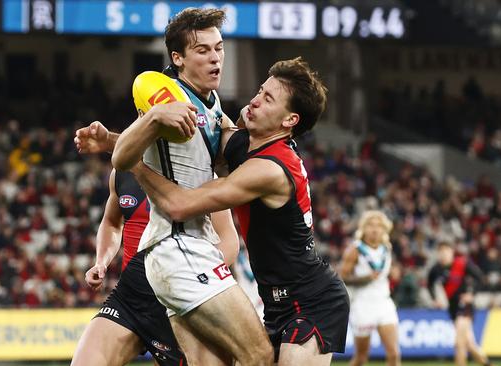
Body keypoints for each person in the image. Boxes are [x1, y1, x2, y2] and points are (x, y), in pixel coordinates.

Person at [127, 57, 350, 366]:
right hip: (276, 301)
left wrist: (133, 163)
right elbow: (203, 141)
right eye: (260, 90)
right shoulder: (247, 145)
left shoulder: (269, 169)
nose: (255, 101)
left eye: (268, 99)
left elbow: (179, 205)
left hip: (312, 301)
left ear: (290, 121)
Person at [106, 7, 273, 366]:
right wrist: (152, 118)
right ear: (178, 58)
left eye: (219, 47)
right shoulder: (164, 95)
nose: (215, 57)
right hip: (176, 247)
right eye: (203, 50)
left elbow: (231, 152)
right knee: (259, 354)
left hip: (192, 247)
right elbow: (121, 157)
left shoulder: (212, 106)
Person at [70, 161, 240, 364]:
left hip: (181, 302)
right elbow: (112, 222)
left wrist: (193, 278)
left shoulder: (200, 174)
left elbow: (229, 241)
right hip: (132, 295)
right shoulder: (123, 171)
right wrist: (101, 261)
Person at [339, 210, 400, 366]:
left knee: (394, 354)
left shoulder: (387, 247)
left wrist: (394, 273)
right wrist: (365, 279)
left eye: (379, 226)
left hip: (384, 302)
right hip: (362, 304)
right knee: (361, 358)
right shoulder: (355, 249)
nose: (375, 229)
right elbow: (342, 277)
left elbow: (383, 273)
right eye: (371, 225)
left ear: (384, 229)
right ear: (363, 228)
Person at [427, 242, 493, 366]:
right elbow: (430, 284)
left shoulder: (462, 264)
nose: (444, 254)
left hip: (464, 306)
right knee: (470, 345)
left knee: (459, 343)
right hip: (452, 308)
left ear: (452, 252)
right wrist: (434, 298)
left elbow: (480, 278)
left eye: (446, 251)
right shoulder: (436, 269)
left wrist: (472, 294)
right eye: (441, 252)